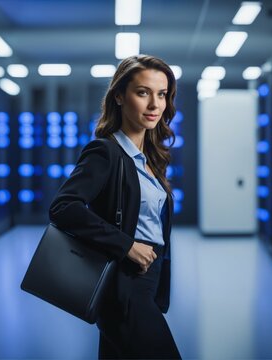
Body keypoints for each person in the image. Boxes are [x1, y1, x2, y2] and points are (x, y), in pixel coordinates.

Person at [49, 54, 181, 359]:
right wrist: (126, 245)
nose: (154, 106)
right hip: (124, 284)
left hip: (147, 279)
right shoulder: (105, 152)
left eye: (162, 95)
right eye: (143, 92)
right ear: (119, 96)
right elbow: (63, 207)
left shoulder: (151, 159)